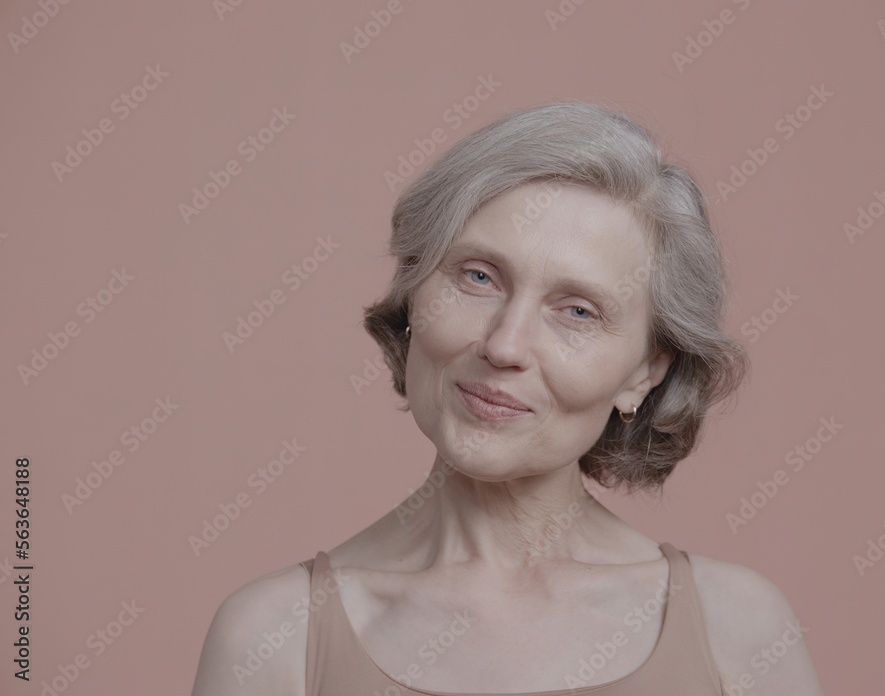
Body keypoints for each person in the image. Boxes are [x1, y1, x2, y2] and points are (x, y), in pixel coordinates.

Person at [191, 101, 825, 695]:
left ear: (645, 372)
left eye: (577, 310)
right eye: (478, 277)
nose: (505, 344)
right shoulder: (275, 639)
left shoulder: (739, 632)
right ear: (414, 294)